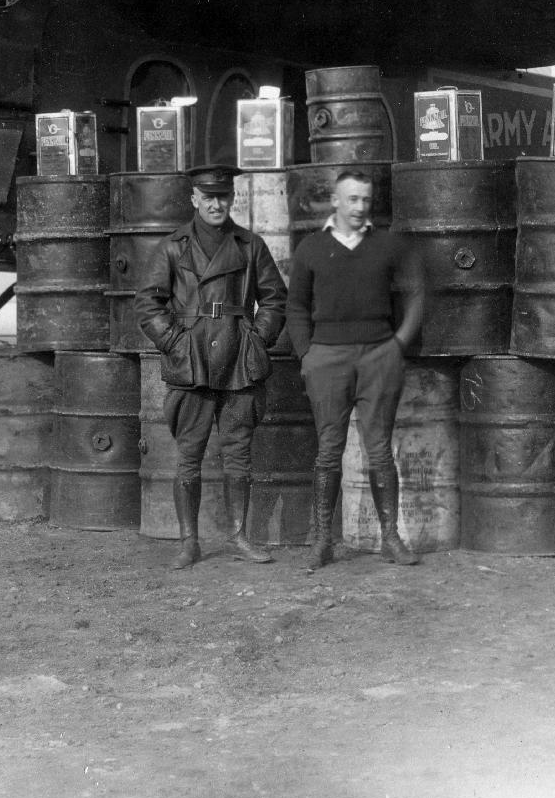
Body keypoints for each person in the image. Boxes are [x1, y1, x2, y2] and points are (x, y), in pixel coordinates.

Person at [136, 163, 288, 569]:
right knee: (189, 455)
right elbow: (148, 305)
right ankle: (189, 542)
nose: (216, 204)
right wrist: (175, 343)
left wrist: (257, 339)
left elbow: (274, 299)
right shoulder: (173, 247)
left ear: (232, 198)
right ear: (194, 200)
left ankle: (239, 536)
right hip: (193, 362)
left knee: (239, 455)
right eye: (208, 197)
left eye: (223, 196)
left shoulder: (250, 245)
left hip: (239, 361)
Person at [286, 166, 425, 570]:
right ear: (335, 200)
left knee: (380, 450)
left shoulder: (388, 247)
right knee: (329, 451)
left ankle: (390, 539)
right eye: (352, 198)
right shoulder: (311, 248)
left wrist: (398, 343)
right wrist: (306, 354)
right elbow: (295, 306)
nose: (360, 207)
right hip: (326, 357)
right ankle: (322, 542)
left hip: (378, 356)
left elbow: (416, 293)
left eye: (366, 199)